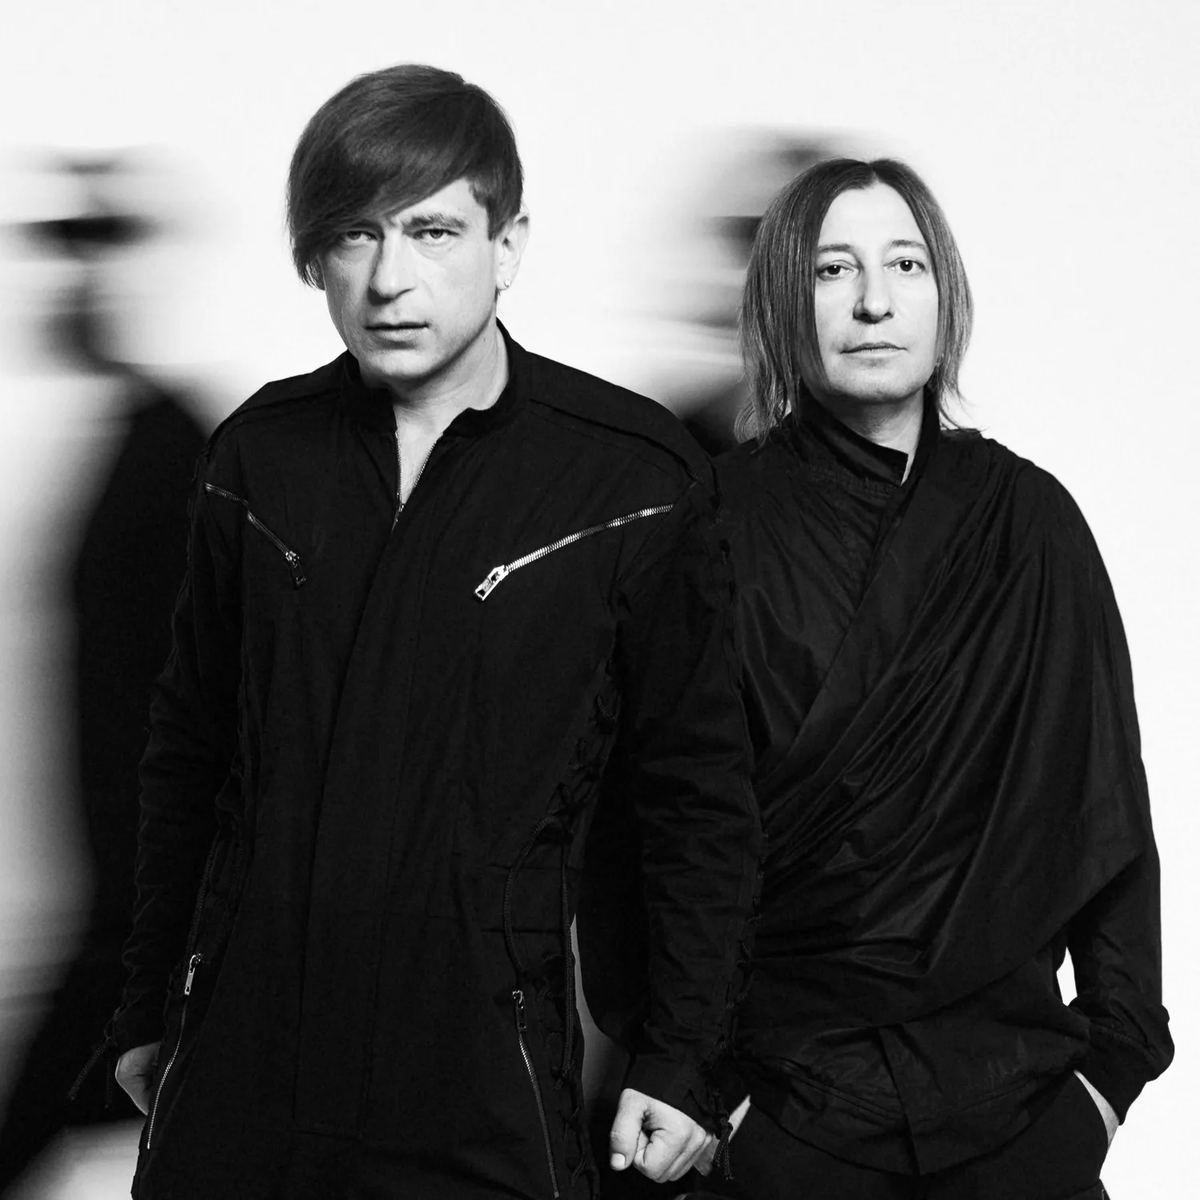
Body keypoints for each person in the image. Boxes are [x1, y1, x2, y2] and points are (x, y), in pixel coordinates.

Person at [105, 64, 759, 1199]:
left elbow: (696, 797)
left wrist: (685, 1058)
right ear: (315, 258)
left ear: (508, 245)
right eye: (353, 235)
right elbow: (188, 756)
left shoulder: (629, 478)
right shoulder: (257, 459)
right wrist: (145, 1010)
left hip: (480, 1079)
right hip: (239, 1075)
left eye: (433, 231)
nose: (390, 279)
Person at [586, 158, 1173, 1199]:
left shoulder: (1030, 523)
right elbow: (646, 830)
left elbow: (1105, 806)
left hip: (1018, 1105)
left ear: (946, 298)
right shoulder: (711, 526)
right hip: (790, 1114)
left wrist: (1111, 1071)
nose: (873, 301)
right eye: (832, 269)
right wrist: (692, 1076)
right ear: (783, 299)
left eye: (906, 265)